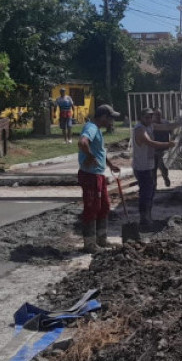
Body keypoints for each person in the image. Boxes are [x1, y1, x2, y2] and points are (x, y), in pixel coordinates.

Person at [77, 104, 121, 252]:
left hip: (98, 174)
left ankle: (101, 240)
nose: (111, 122)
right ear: (103, 117)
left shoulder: (97, 130)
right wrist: (90, 156)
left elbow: (99, 151)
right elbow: (83, 142)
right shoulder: (91, 128)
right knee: (92, 207)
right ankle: (89, 244)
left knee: (104, 206)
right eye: (110, 119)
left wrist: (109, 164)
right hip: (90, 175)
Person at [133, 108, 176, 228]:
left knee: (151, 191)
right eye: (147, 117)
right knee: (145, 193)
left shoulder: (150, 125)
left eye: (150, 117)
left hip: (149, 165)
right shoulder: (139, 129)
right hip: (142, 167)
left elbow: (166, 127)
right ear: (141, 117)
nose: (149, 119)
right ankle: (144, 218)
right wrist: (168, 145)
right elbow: (150, 143)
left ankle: (148, 217)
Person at [151, 109, 172, 188]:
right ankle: (154, 185)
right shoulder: (151, 125)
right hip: (153, 150)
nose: (157, 116)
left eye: (159, 115)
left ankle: (165, 177)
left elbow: (172, 132)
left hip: (163, 149)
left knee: (163, 167)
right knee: (153, 169)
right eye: (156, 115)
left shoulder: (166, 123)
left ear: (161, 115)